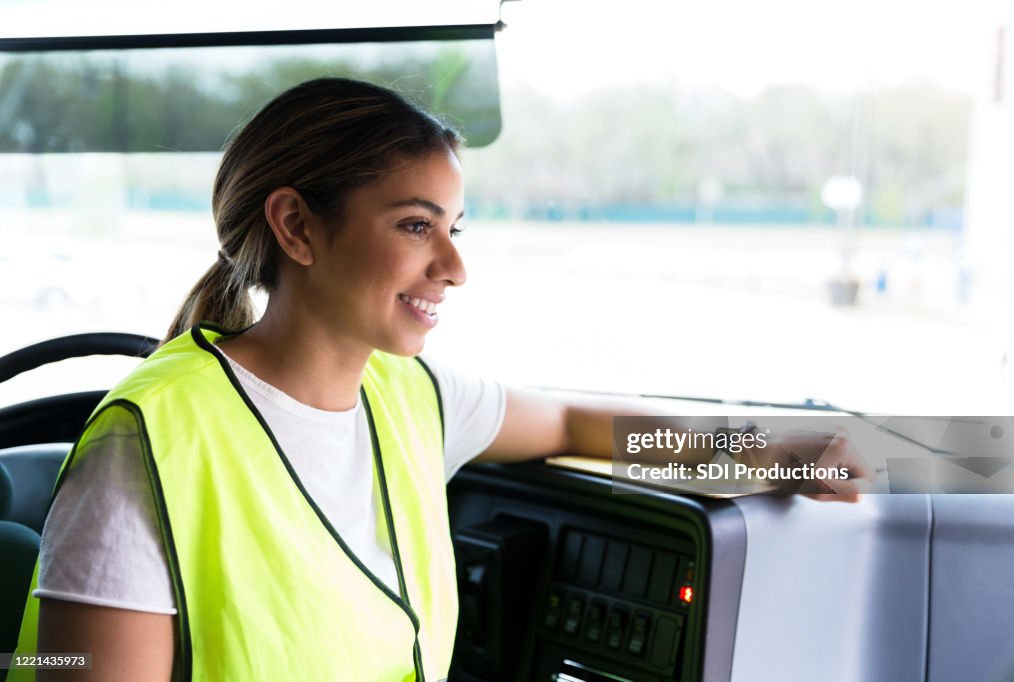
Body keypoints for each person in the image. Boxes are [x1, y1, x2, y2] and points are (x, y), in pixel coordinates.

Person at [8, 78, 874, 682]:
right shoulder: (148, 446)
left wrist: (765, 454)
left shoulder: (410, 399)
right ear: (297, 226)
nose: (454, 266)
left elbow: (575, 424)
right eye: (417, 225)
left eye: (456, 226)